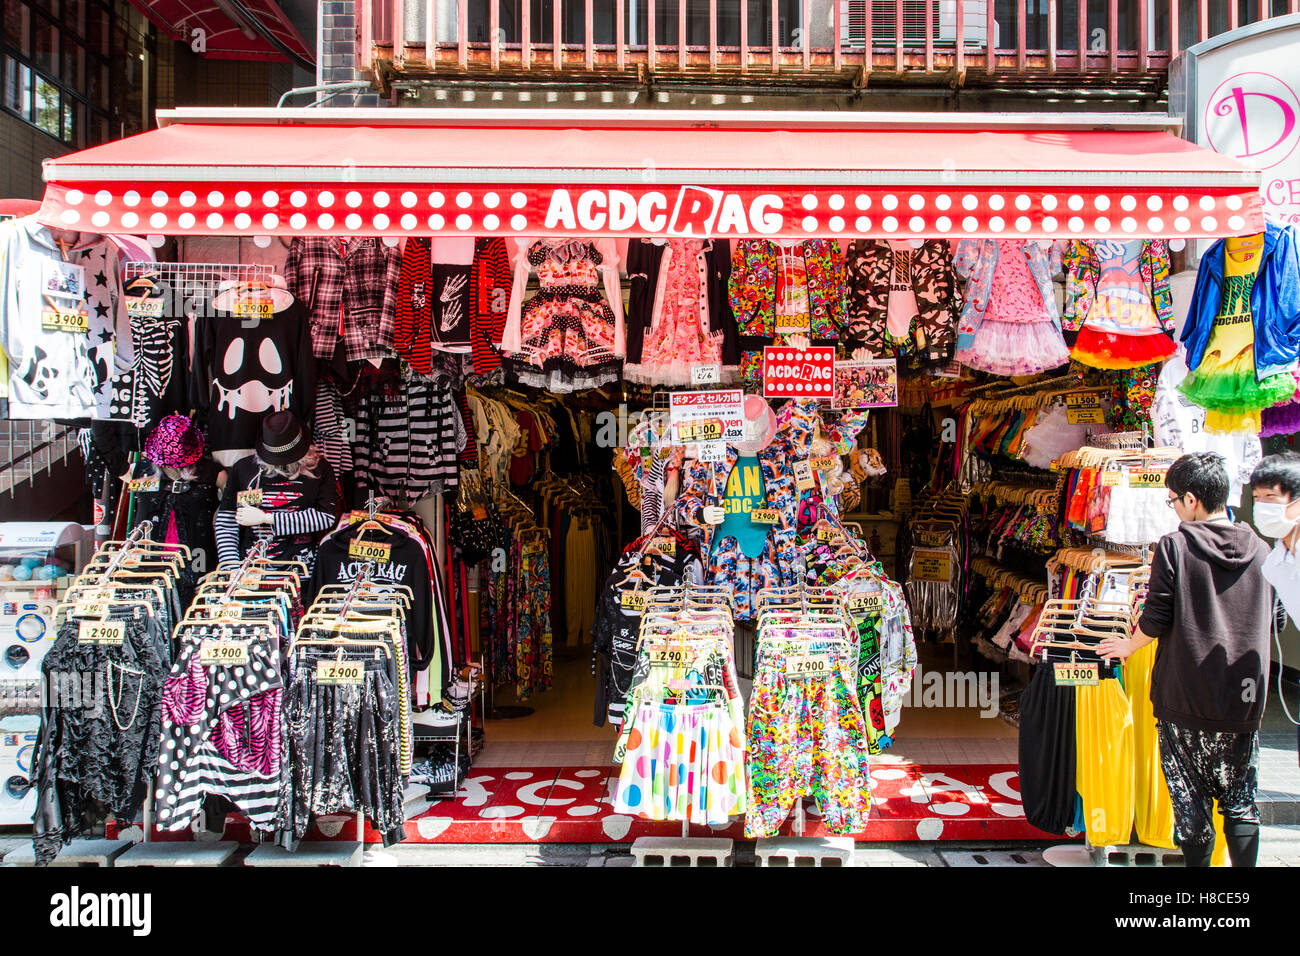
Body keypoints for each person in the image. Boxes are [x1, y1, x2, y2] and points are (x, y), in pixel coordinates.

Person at [1097, 451, 1273, 867]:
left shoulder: (1176, 546)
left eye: (1173, 499)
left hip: (1185, 693)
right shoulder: (1262, 550)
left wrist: (1127, 646)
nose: (1173, 507)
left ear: (1192, 500)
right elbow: (1277, 618)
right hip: (1245, 697)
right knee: (1240, 798)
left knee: (1190, 797)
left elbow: (1156, 617)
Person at [214, 411, 341, 575]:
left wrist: (268, 518)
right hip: (251, 569)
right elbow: (227, 522)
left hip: (301, 569)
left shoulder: (320, 469)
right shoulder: (244, 468)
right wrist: (231, 569)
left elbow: (326, 518)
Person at [125, 413, 226, 607]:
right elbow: (108, 456)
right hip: (150, 564)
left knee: (193, 616)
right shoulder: (139, 471)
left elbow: (231, 516)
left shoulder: (213, 473)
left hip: (199, 560)